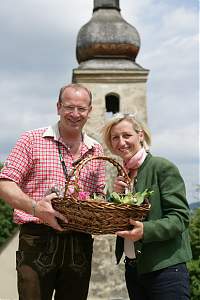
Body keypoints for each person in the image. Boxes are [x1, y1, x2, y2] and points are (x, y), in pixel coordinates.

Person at [0, 83, 105, 300]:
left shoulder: (96, 150)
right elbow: (5, 183)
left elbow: (98, 195)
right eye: (69, 107)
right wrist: (36, 208)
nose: (75, 114)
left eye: (81, 109)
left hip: (79, 242)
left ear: (90, 111)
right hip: (38, 238)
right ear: (58, 107)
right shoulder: (31, 139)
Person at [102, 113, 192, 300]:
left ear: (140, 135)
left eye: (127, 135)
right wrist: (114, 197)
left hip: (165, 270)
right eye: (115, 138)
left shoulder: (161, 167)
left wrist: (145, 230)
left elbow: (180, 218)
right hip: (134, 271)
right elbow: (119, 220)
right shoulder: (124, 175)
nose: (121, 142)